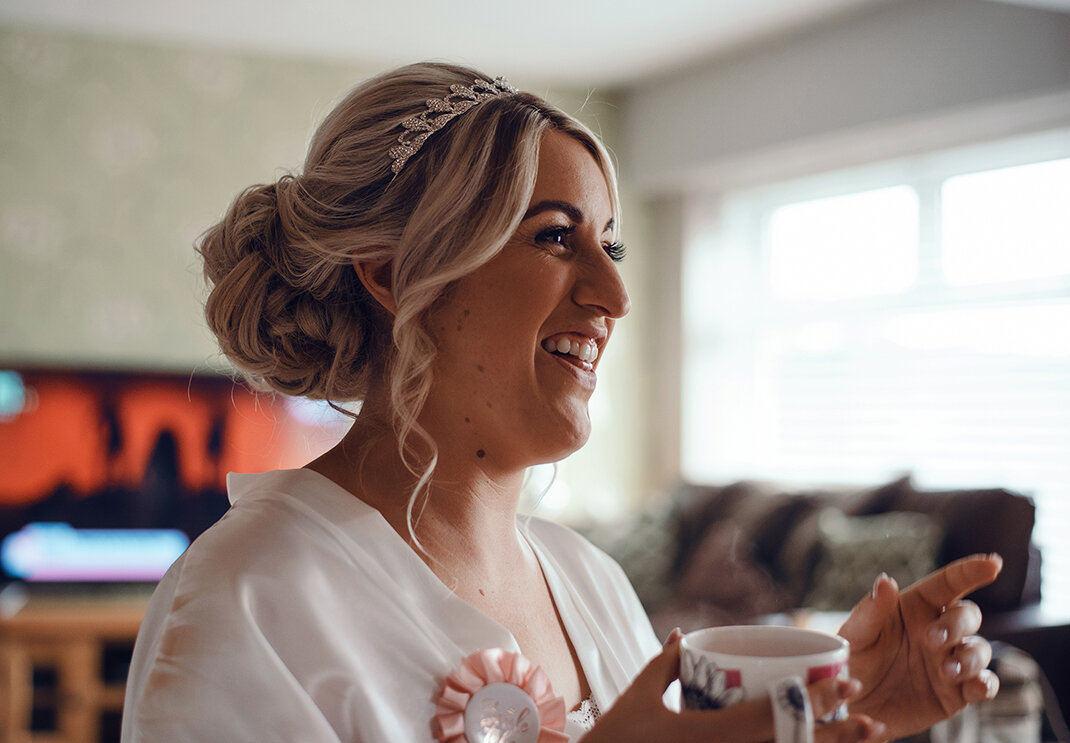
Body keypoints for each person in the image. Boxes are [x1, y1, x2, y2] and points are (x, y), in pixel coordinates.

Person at [121, 62, 1002, 743]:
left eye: (611, 245)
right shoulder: (250, 595)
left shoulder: (594, 584)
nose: (615, 296)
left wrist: (841, 716)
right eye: (555, 237)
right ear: (395, 275)